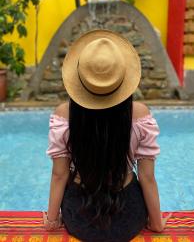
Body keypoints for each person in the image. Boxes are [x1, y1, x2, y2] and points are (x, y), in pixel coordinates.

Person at [43, 30, 171, 242]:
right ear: (123, 78)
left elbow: (59, 175)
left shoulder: (64, 115)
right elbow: (147, 177)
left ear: (79, 77)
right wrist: (156, 222)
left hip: (80, 218)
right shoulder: (141, 115)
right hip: (129, 219)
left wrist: (52, 220)